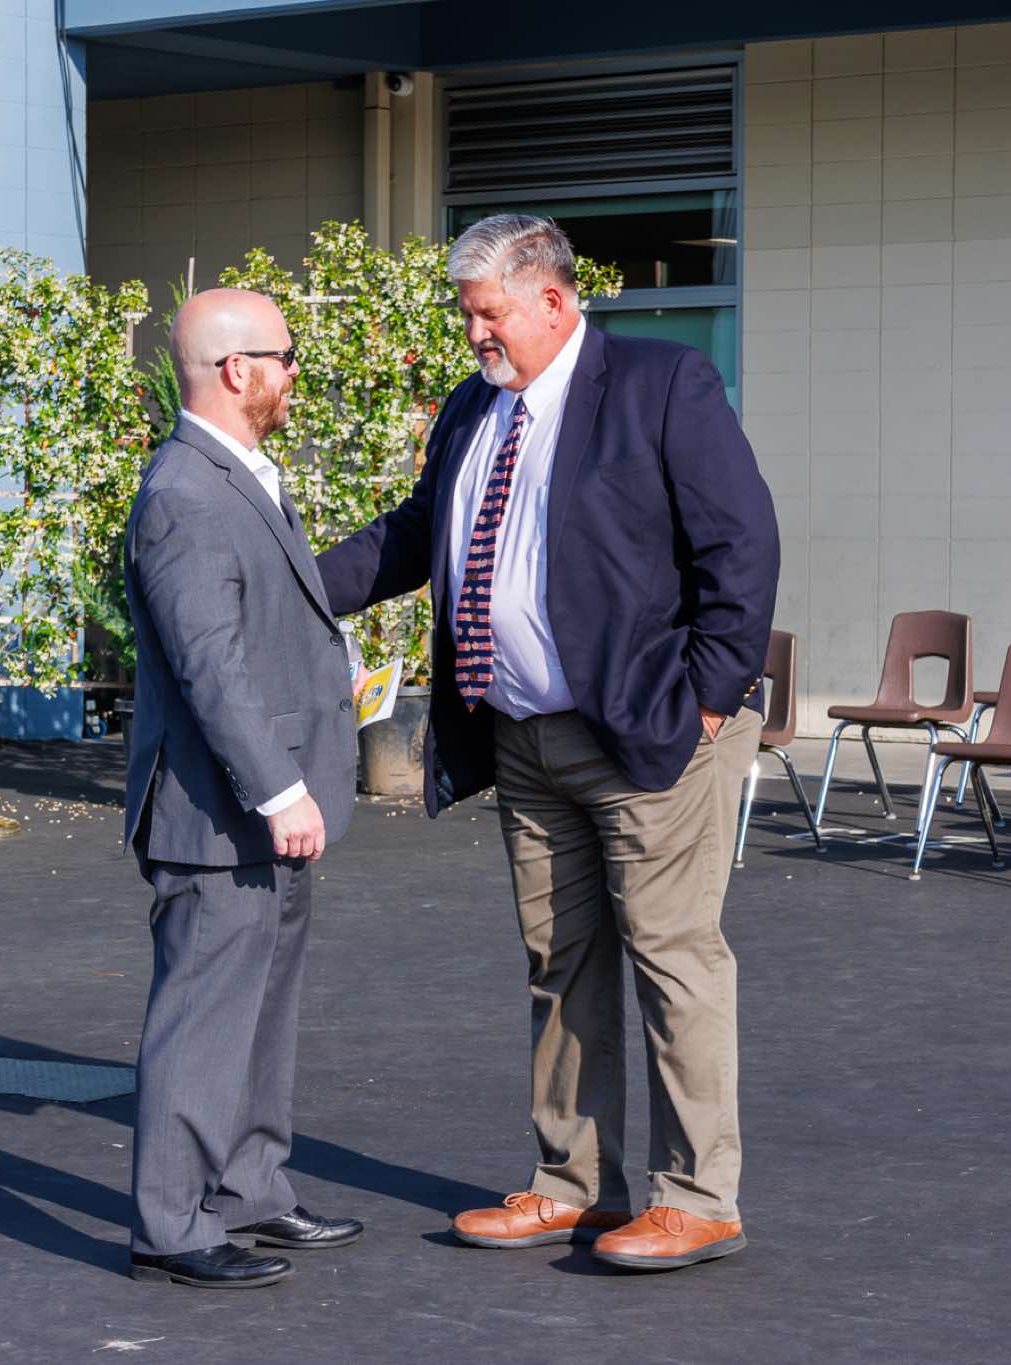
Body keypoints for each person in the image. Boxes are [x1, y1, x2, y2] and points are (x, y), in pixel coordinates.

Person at [316, 215, 780, 1273]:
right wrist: (294, 577)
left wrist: (707, 702)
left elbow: (741, 545)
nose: (473, 333)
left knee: (671, 957)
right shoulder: (473, 408)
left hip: (648, 732)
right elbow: (415, 534)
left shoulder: (661, 385)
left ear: (554, 300)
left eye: (488, 314)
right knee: (559, 963)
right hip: (523, 738)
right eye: (467, 315)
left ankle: (698, 1199)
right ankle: (572, 1186)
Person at [121, 287, 363, 1289]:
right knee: (203, 1019)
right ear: (238, 370)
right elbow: (207, 665)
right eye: (287, 357)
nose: (295, 374)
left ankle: (251, 1191)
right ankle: (173, 1229)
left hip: (261, 809)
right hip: (221, 814)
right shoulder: (184, 491)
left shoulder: (241, 475)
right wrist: (277, 789)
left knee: (261, 1011)